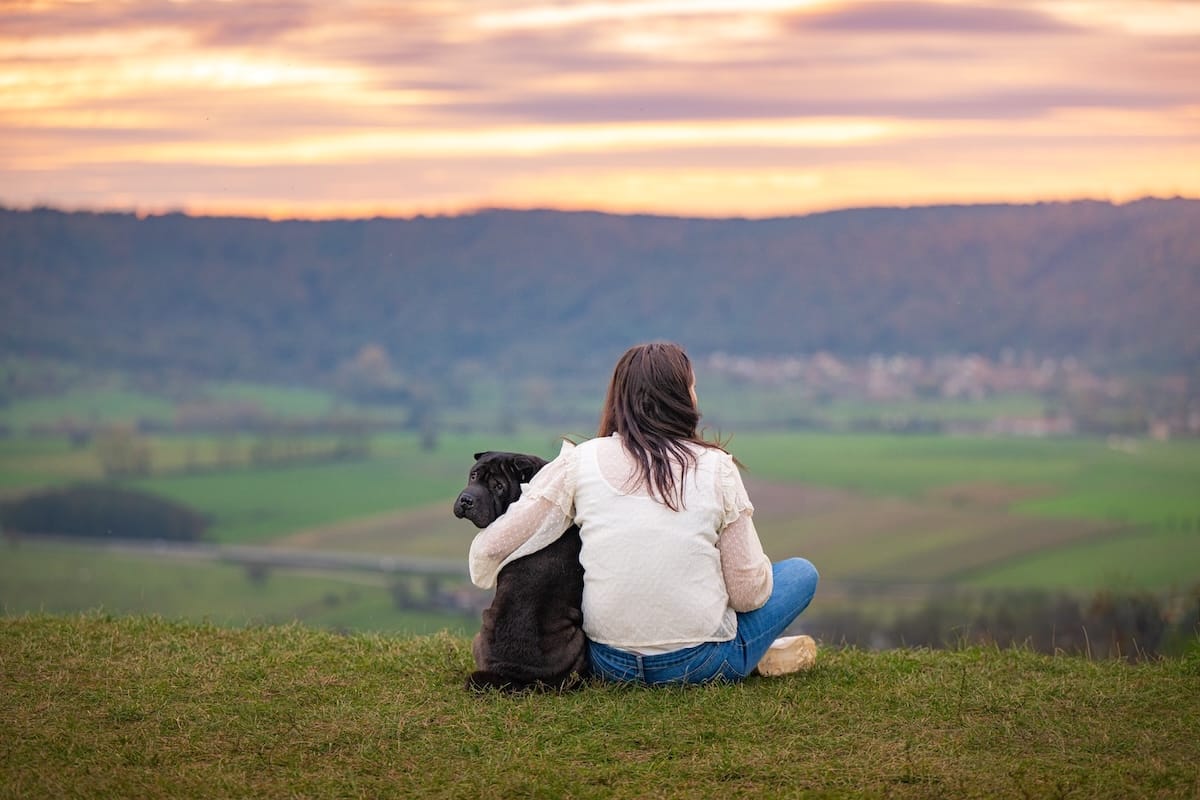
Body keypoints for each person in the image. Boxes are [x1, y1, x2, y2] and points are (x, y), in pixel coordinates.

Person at [468, 342, 819, 685]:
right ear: (683, 398)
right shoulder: (717, 468)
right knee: (801, 573)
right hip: (701, 663)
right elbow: (747, 595)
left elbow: (488, 550)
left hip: (607, 663)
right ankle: (754, 651)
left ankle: (756, 650)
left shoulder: (579, 461)